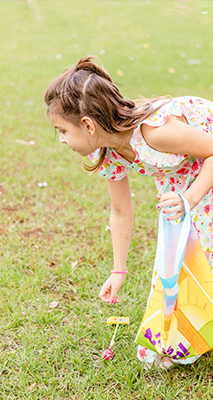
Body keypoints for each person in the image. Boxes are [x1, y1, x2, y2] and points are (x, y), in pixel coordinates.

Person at [45, 56, 213, 367]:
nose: (62, 140)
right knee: (176, 258)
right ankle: (185, 333)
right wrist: (118, 270)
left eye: (62, 131)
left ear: (88, 124)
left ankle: (192, 331)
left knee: (201, 249)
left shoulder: (155, 133)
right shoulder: (108, 150)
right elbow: (121, 212)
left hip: (206, 164)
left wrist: (189, 199)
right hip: (181, 179)